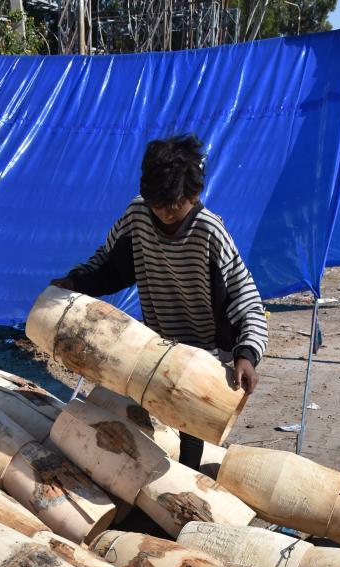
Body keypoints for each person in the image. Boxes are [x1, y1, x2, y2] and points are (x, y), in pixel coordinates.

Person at [52, 134, 267, 470]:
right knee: (137, 415)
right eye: (158, 205)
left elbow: (247, 300)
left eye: (174, 206)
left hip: (202, 355)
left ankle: (189, 482)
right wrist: (76, 281)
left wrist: (247, 354)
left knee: (191, 430)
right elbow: (108, 262)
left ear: (194, 194)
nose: (165, 214)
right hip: (157, 344)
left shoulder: (210, 232)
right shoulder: (138, 214)